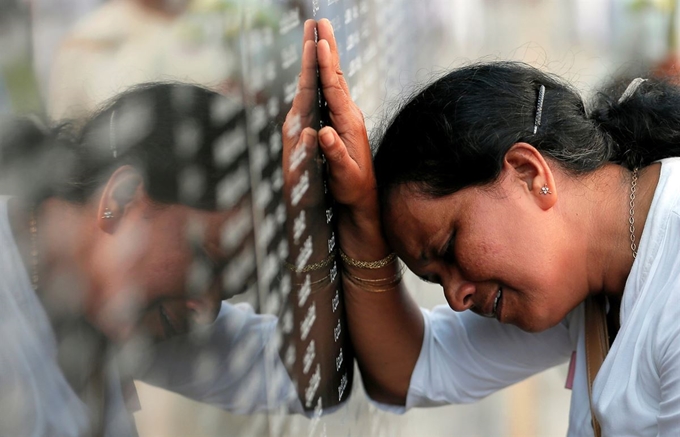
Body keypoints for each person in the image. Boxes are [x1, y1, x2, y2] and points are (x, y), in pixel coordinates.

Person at [292, 18, 680, 436]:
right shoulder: (596, 272)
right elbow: (409, 370)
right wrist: (359, 214)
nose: (457, 298)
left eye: (449, 247)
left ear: (528, 173)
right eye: (435, 279)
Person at [0, 82, 306, 436]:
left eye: (230, 288)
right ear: (121, 199)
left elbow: (300, 377)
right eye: (206, 261)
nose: (206, 311)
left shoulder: (113, 304)